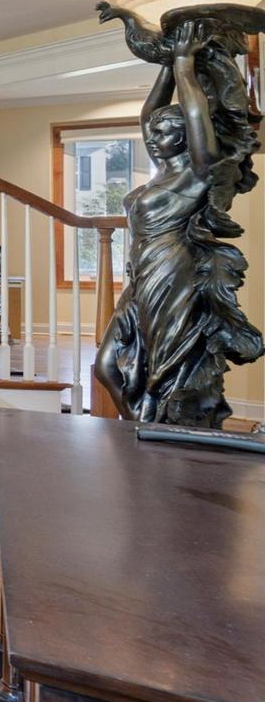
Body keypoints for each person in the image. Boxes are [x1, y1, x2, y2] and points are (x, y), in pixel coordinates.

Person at [94, 25, 263, 427]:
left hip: (174, 273)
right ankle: (141, 424)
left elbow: (193, 114)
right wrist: (167, 63)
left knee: (165, 365)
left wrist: (185, 66)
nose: (154, 136)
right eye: (152, 132)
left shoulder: (199, 172)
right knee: (106, 366)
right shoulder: (159, 174)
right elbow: (148, 114)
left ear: (186, 136)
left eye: (166, 132)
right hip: (140, 277)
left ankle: (161, 434)